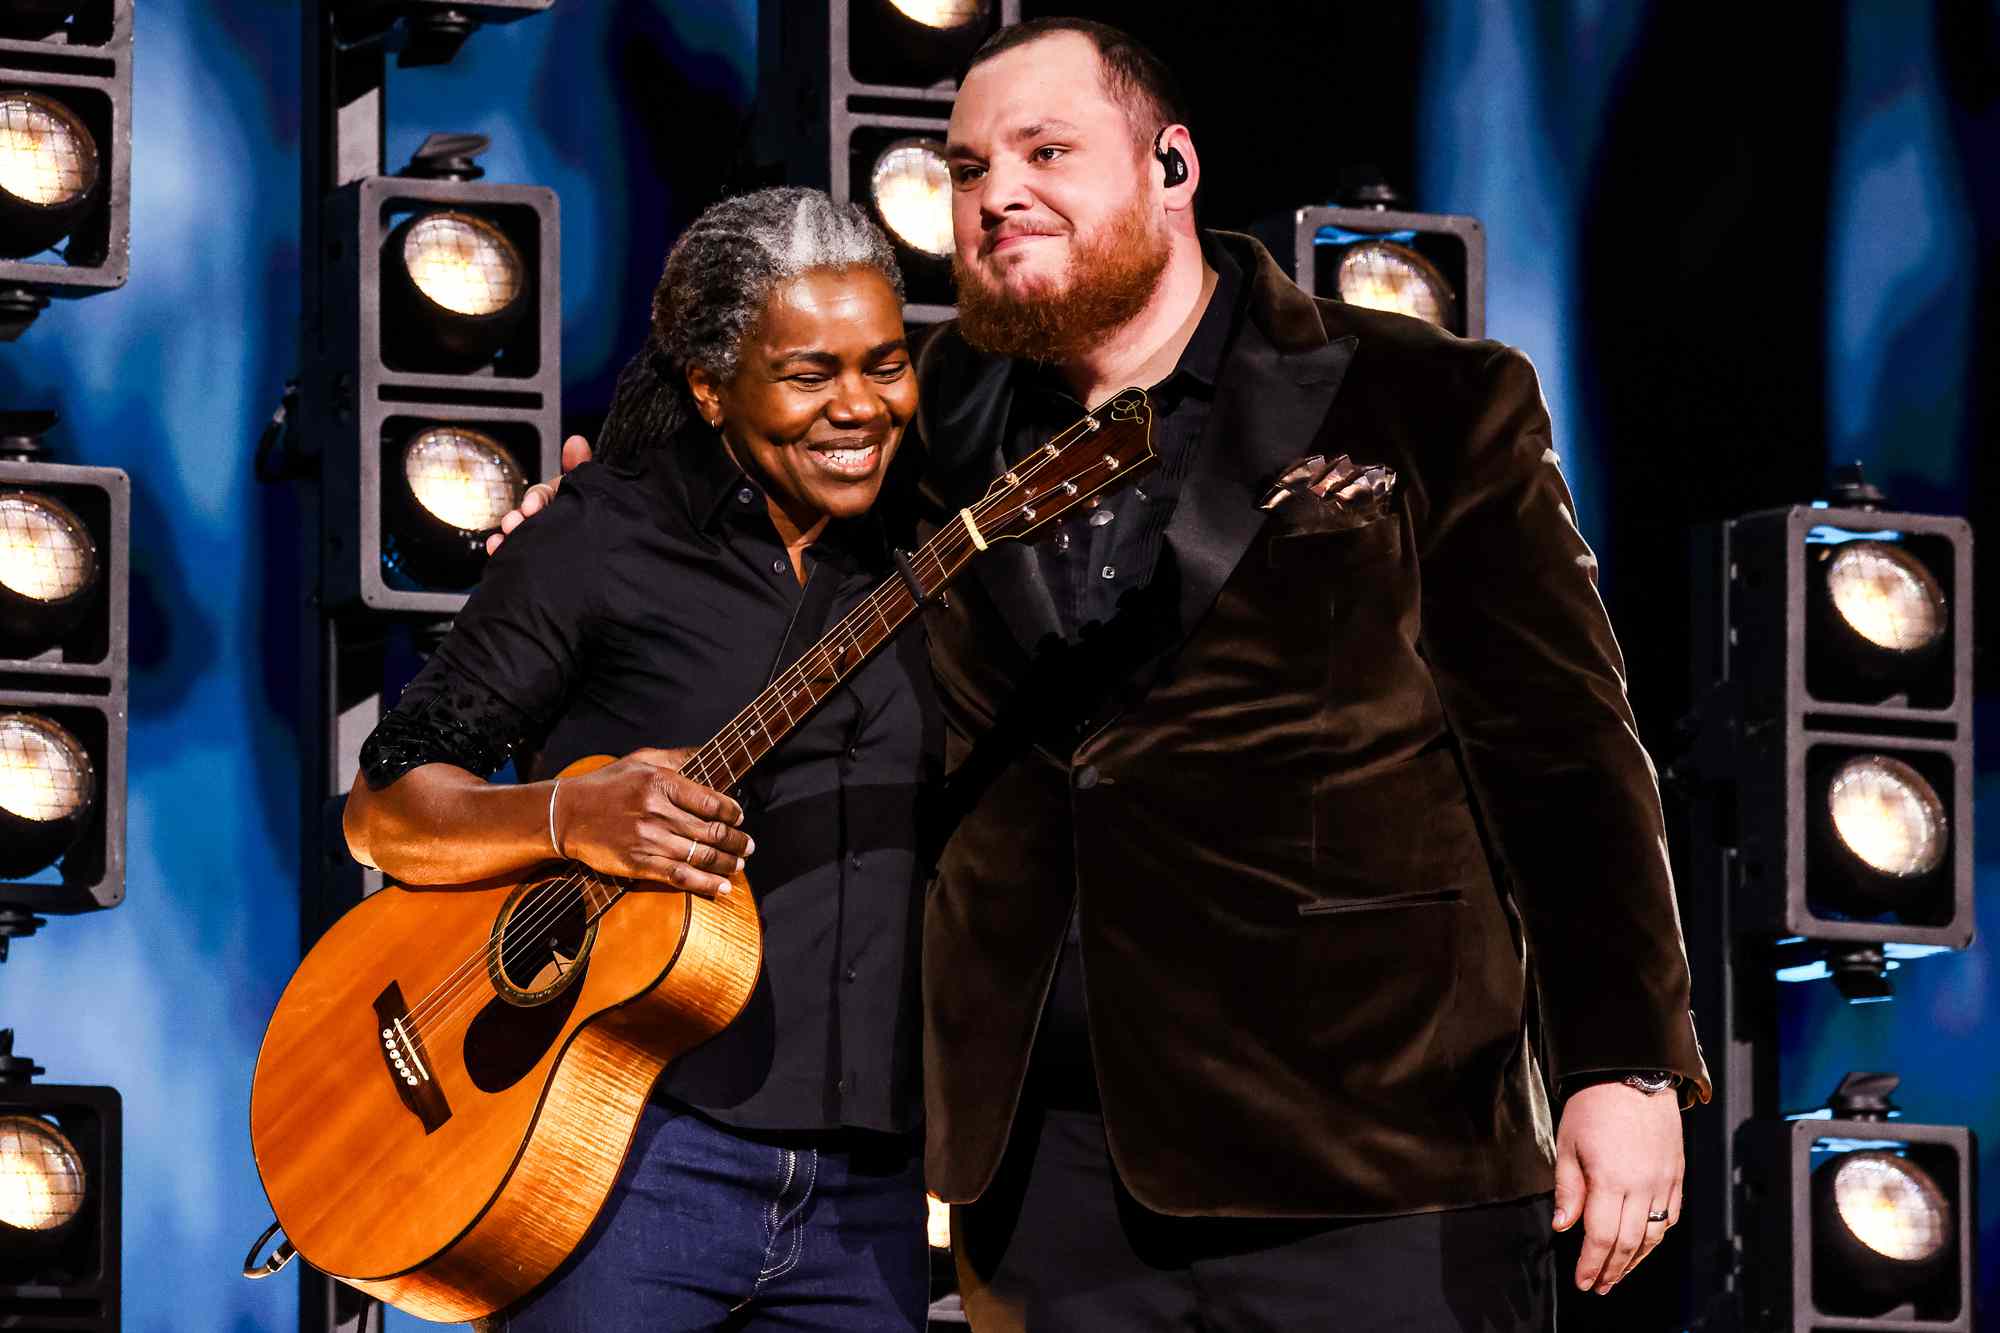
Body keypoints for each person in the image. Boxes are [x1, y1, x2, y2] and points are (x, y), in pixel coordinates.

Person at [499, 19, 1712, 1331]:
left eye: (1044, 150)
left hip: (1374, 1158)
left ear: (1172, 166)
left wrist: (1624, 1063)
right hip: (1052, 1190)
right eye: (965, 169)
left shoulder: (1424, 398)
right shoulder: (916, 428)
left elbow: (1564, 747)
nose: (995, 195)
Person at [343, 187, 939, 1332]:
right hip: (623, 1159)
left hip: (868, 1198)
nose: (858, 406)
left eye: (886, 362)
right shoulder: (600, 535)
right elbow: (385, 810)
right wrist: (570, 815)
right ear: (712, 385)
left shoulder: (934, 551)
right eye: (809, 374)